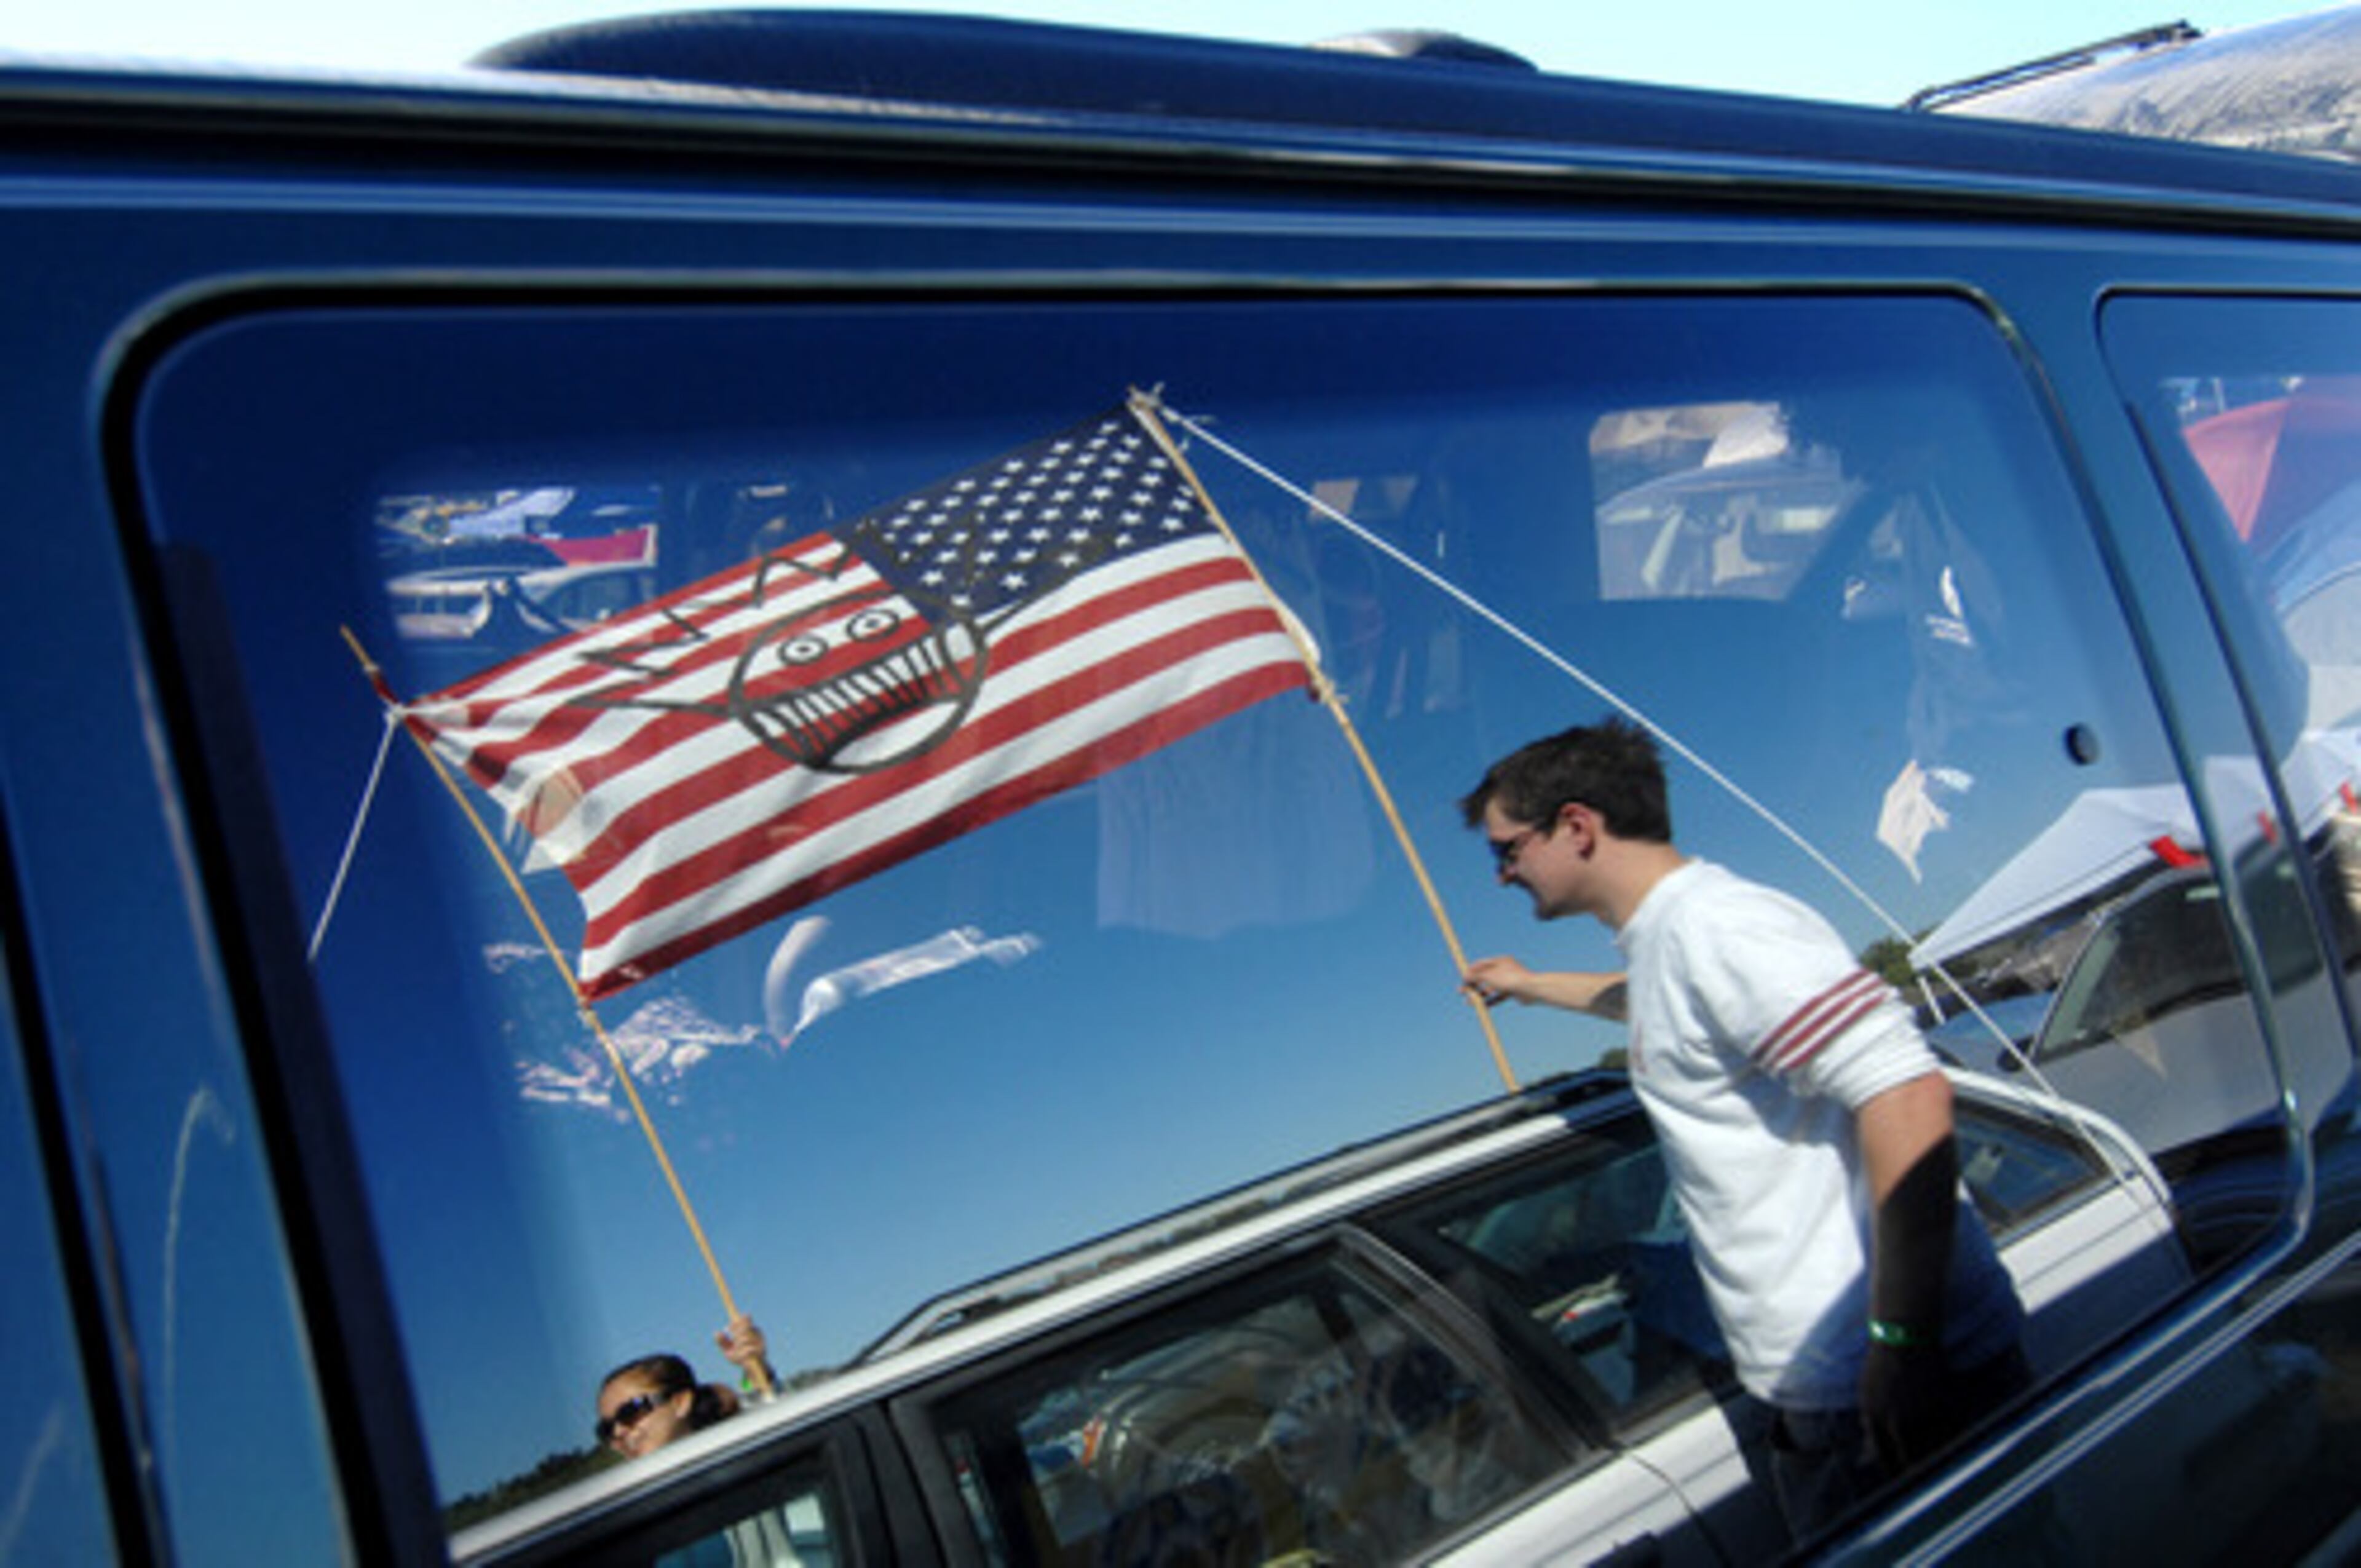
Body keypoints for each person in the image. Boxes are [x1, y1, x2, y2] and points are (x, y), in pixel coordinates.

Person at [1458, 716, 2028, 1543]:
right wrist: (1533, 984)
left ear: (1577, 825)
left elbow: (1906, 1095)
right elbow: (1650, 1001)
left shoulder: (1717, 927)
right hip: (1840, 1390)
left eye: (1506, 849)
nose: (1505, 874)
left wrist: (1902, 1343)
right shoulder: (1672, 942)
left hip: (1881, 1391)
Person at [595, 1316, 781, 1460]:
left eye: (630, 1411)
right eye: (606, 1429)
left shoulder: (737, 1451)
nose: (618, 1432)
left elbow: (765, 1411)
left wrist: (754, 1367)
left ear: (681, 1402)